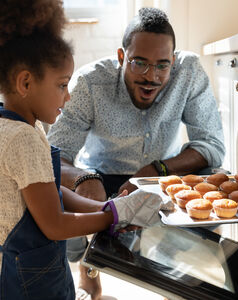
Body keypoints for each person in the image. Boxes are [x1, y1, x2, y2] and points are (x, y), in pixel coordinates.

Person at [47, 6, 225, 300]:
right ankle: (89, 270)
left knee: (216, 177)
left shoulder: (189, 72)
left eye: (162, 65)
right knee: (50, 193)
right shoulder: (89, 83)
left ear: (174, 61)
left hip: (162, 177)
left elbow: (211, 145)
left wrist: (155, 170)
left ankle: (171, 266)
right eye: (139, 63)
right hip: (101, 180)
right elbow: (55, 153)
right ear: (121, 57)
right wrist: (84, 178)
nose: (151, 76)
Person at [0, 2, 163, 300]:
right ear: (25, 82)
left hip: (41, 267)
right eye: (62, 85)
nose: (69, 94)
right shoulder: (22, 139)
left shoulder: (22, 127)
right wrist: (114, 216)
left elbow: (52, 194)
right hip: (29, 283)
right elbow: (54, 224)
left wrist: (105, 208)